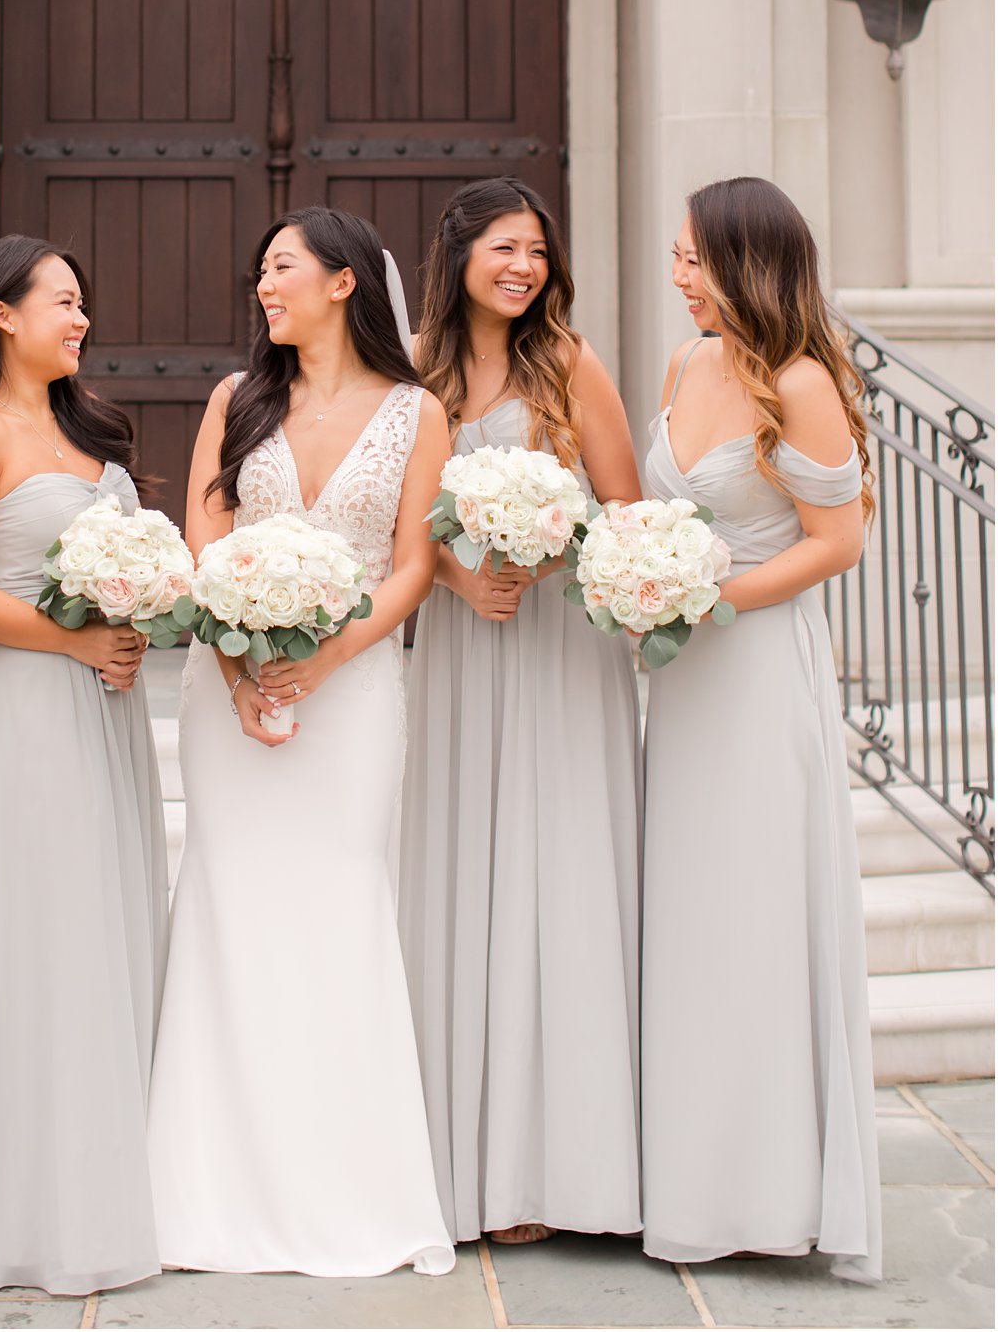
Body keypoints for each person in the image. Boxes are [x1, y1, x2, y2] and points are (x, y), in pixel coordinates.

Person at [146, 208, 454, 1278]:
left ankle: (348, 1185)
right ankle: (207, 1185)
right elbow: (204, 539)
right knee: (229, 902)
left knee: (338, 901)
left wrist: (324, 663)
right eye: (260, 270)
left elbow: (411, 565)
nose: (262, 286)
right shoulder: (236, 401)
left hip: (356, 692)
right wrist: (238, 670)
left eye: (281, 268)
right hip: (228, 699)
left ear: (342, 283)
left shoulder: (418, 412)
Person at [642, 176, 879, 1282]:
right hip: (680, 687)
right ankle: (687, 1176)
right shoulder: (686, 364)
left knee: (754, 915)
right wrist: (635, 575)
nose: (676, 274)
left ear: (745, 261)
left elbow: (836, 543)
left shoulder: (800, 382)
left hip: (755, 678)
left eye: (692, 257)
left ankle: (770, 1192)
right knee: (686, 918)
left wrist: (709, 598)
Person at [0, 236, 167, 1298]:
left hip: (107, 713)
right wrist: (67, 640)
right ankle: (30, 1212)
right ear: (0, 317)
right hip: (32, 705)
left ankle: (105, 1184)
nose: (79, 319)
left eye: (81, 301)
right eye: (60, 302)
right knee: (47, 943)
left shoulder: (86, 431)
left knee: (107, 935)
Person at [401, 177, 643, 1246]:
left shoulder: (569, 362)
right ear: (456, 254)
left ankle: (558, 1166)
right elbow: (394, 524)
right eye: (503, 246)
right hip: (464, 637)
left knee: (557, 871)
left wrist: (559, 544)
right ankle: (463, 1160)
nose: (523, 267)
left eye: (536, 250)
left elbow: (626, 509)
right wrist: (458, 580)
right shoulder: (414, 371)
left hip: (558, 644)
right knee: (463, 866)